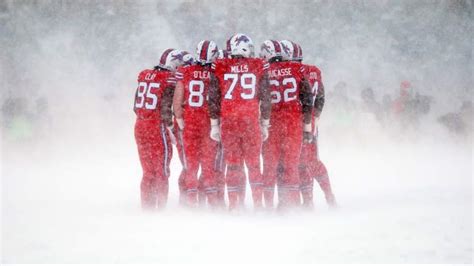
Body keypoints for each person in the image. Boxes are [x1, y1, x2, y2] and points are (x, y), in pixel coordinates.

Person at [208, 33, 271, 211]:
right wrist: (265, 122)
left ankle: (234, 204)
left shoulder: (220, 66)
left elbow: (213, 97)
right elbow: (266, 97)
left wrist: (214, 124)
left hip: (229, 122)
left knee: (233, 165)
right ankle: (258, 205)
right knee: (253, 165)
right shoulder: (258, 65)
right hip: (250, 121)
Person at [261, 39, 313, 209]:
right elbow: (307, 99)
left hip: (272, 123)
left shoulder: (263, 71)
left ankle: (268, 204)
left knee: (270, 167)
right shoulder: (297, 69)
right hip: (293, 122)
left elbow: (259, 99)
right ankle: (291, 204)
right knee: (291, 166)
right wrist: (307, 126)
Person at [173, 41, 221, 208]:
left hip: (190, 122)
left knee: (191, 167)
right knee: (209, 167)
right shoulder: (217, 71)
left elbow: (177, 100)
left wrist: (180, 120)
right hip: (209, 123)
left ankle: (191, 204)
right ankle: (213, 205)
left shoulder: (185, 71)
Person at [133, 48, 182, 210]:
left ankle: (146, 208)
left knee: (148, 171)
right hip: (157, 126)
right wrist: (170, 127)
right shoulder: (168, 78)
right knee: (161, 170)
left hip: (140, 125)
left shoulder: (145, 75)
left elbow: (135, 105)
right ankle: (160, 208)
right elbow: (166, 107)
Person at [291, 42, 336, 208]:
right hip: (310, 122)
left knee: (301, 163)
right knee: (311, 161)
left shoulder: (295, 73)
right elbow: (321, 97)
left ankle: (308, 200)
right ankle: (327, 195)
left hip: (298, 122)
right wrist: (315, 117)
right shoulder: (314, 71)